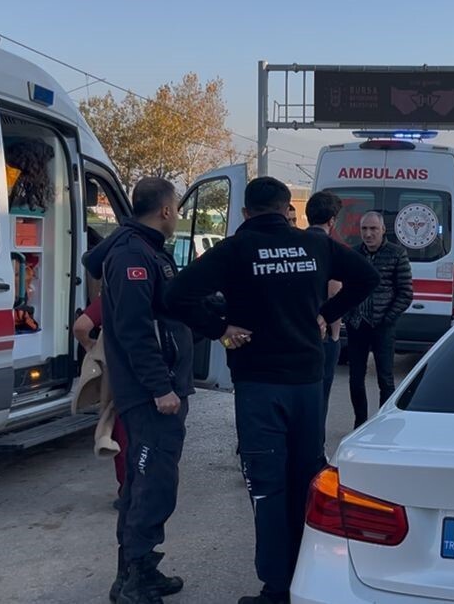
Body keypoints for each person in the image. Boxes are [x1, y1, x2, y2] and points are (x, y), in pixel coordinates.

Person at [164, 177, 378, 604]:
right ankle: (308, 577)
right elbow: (366, 277)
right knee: (307, 480)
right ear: (286, 210)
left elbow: (175, 295)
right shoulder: (314, 246)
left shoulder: (234, 250)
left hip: (259, 385)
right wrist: (325, 313)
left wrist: (220, 328)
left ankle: (276, 588)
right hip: (305, 383)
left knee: (267, 486)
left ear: (246, 213)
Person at [82, 177, 192, 604]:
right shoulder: (132, 254)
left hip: (157, 390)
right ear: (165, 210)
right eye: (177, 208)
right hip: (151, 396)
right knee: (150, 484)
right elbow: (133, 330)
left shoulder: (145, 249)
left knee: (146, 483)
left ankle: (137, 569)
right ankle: (134, 582)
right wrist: (161, 387)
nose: (178, 215)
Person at [344, 211, 414, 428]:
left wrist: (388, 318)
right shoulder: (353, 254)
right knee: (355, 378)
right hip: (357, 325)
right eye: (364, 229)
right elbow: (345, 290)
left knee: (385, 379)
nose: (368, 234)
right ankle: (360, 422)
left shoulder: (396, 254)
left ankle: (383, 423)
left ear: (383, 230)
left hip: (384, 326)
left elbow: (405, 293)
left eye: (373, 229)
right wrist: (348, 315)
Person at [73, 298, 131, 498]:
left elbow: (81, 326)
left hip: (117, 369)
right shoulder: (152, 287)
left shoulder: (111, 294)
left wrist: (89, 345)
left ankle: (126, 490)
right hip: (150, 368)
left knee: (119, 426)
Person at [304, 191, 345, 422]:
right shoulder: (330, 247)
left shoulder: (296, 243)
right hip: (322, 333)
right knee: (320, 395)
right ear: (331, 221)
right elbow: (334, 290)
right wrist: (336, 335)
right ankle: (315, 449)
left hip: (297, 330)